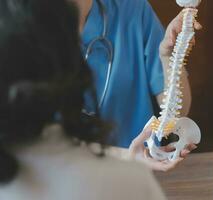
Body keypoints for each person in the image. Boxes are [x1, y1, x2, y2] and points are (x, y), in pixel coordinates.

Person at [0, 0, 167, 199]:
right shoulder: (133, 183)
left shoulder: (132, 10)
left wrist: (169, 59)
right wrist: (125, 160)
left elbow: (174, 107)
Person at [71, 0, 202, 147]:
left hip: (138, 165)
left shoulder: (133, 9)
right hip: (61, 165)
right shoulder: (41, 26)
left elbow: (177, 113)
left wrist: (169, 57)